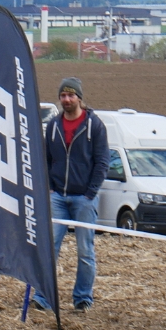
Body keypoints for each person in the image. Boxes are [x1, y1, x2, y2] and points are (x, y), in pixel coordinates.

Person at [36, 74, 109, 312]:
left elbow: (102, 162)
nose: (66, 99)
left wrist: (90, 193)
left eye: (70, 95)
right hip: (57, 197)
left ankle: (82, 297)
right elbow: (46, 159)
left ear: (79, 97)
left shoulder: (94, 126)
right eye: (63, 95)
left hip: (83, 199)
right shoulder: (53, 125)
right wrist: (50, 186)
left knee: (85, 251)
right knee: (49, 248)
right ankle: (42, 296)